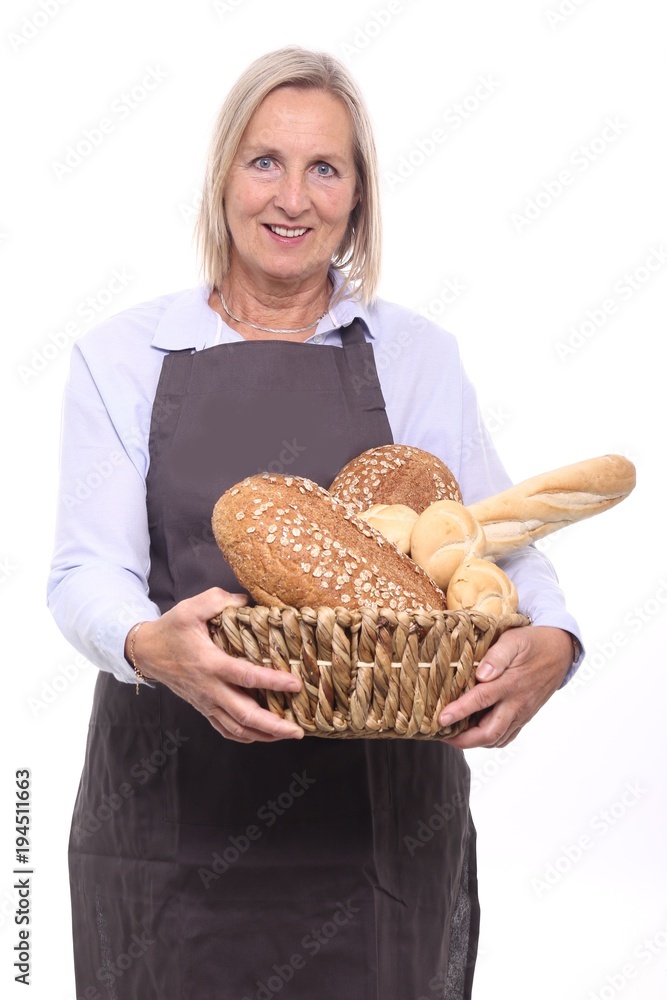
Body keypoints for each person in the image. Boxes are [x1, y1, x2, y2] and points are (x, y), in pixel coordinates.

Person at [47, 46, 583, 999]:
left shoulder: (413, 355)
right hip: (171, 822)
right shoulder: (123, 354)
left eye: (323, 168)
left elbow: (488, 537)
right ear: (223, 179)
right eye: (265, 162)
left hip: (377, 834)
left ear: (357, 197)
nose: (290, 198)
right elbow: (84, 572)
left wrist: (556, 639)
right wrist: (148, 644)